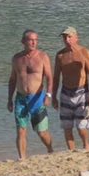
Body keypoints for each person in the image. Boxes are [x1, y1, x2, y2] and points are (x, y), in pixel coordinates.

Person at [7, 29, 54, 160]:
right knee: (21, 130)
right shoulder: (17, 58)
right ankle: (22, 158)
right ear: (23, 41)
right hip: (21, 99)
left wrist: (49, 95)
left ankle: (50, 150)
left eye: (35, 40)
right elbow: (12, 79)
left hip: (37, 98)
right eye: (30, 40)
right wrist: (9, 99)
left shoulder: (42, 57)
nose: (34, 42)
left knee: (41, 132)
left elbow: (49, 77)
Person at [51, 26, 89, 151]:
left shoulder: (84, 52)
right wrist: (53, 96)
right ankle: (71, 150)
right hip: (65, 92)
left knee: (81, 126)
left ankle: (86, 145)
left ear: (76, 37)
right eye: (65, 37)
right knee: (67, 126)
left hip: (82, 91)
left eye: (69, 37)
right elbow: (56, 77)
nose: (67, 40)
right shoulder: (60, 55)